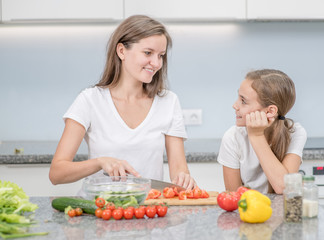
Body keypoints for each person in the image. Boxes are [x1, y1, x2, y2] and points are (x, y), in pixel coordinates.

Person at [49, 15, 196, 195]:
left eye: (161, 56)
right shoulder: (90, 100)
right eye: (148, 53)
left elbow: (179, 169)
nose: (157, 63)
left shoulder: (168, 101)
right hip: (99, 212)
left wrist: (184, 178)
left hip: (148, 212)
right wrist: (100, 162)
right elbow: (56, 173)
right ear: (121, 51)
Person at [217, 69, 307, 194]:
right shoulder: (232, 137)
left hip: (281, 211)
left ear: (270, 111)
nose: (235, 105)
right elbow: (234, 197)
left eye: (243, 101)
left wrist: (256, 136)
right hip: (248, 210)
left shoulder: (295, 132)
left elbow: (284, 187)